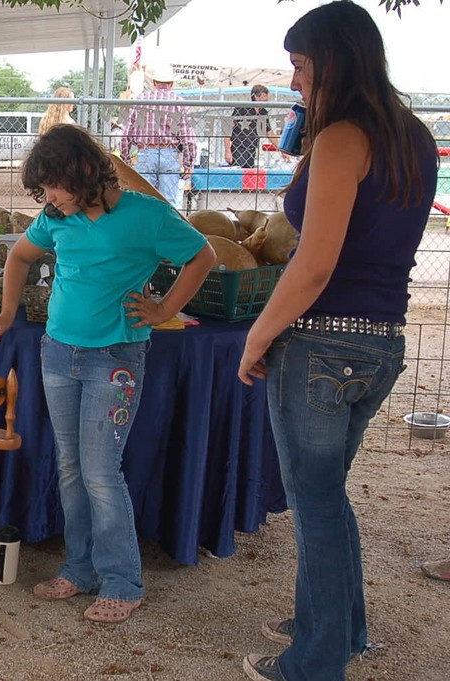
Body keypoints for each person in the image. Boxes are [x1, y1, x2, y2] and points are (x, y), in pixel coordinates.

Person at [236, 4, 438, 680]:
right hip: (382, 343)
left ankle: (315, 661)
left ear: (335, 61)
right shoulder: (412, 134)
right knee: (328, 496)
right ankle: (339, 625)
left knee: (316, 503)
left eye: (299, 66)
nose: (293, 81)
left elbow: (314, 264)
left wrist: (258, 335)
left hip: (320, 346)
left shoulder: (343, 138)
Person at [0, 124, 214, 624]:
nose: (48, 198)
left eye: (53, 187)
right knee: (70, 467)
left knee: (101, 472)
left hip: (116, 359)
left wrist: (165, 306)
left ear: (79, 172)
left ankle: (123, 582)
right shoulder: (54, 216)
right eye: (42, 191)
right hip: (58, 353)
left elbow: (203, 255)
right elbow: (20, 255)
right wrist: (6, 311)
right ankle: (80, 569)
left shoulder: (146, 214)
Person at [119, 64, 197, 209]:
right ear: (171, 84)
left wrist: (126, 158)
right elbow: (188, 137)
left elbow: (126, 133)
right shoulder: (180, 103)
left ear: (153, 83)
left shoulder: (140, 100)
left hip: (145, 152)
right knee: (168, 204)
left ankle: (143, 230)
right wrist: (189, 163)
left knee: (143, 201)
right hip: (169, 153)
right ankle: (166, 229)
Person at [224, 84, 280, 169]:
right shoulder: (242, 109)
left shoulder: (263, 113)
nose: (266, 99)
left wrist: (281, 149)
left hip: (252, 149)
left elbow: (269, 133)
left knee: (249, 175)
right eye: (264, 96)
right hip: (239, 148)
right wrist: (228, 151)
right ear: (256, 97)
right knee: (238, 173)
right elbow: (228, 129)